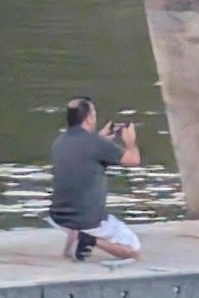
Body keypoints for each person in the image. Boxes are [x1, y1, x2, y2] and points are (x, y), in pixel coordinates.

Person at [48, 95, 142, 263]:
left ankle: (71, 248)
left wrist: (100, 138)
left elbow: (85, 153)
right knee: (134, 251)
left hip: (58, 217)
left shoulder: (59, 142)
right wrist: (130, 142)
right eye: (94, 114)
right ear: (89, 118)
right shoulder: (97, 144)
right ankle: (90, 240)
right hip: (88, 220)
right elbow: (133, 160)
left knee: (75, 200)